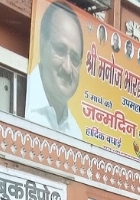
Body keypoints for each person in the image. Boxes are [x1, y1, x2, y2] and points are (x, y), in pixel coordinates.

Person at [25, 1, 84, 139]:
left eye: (75, 59)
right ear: (42, 44)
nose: (68, 68)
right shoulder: (22, 102)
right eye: (60, 50)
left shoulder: (75, 133)